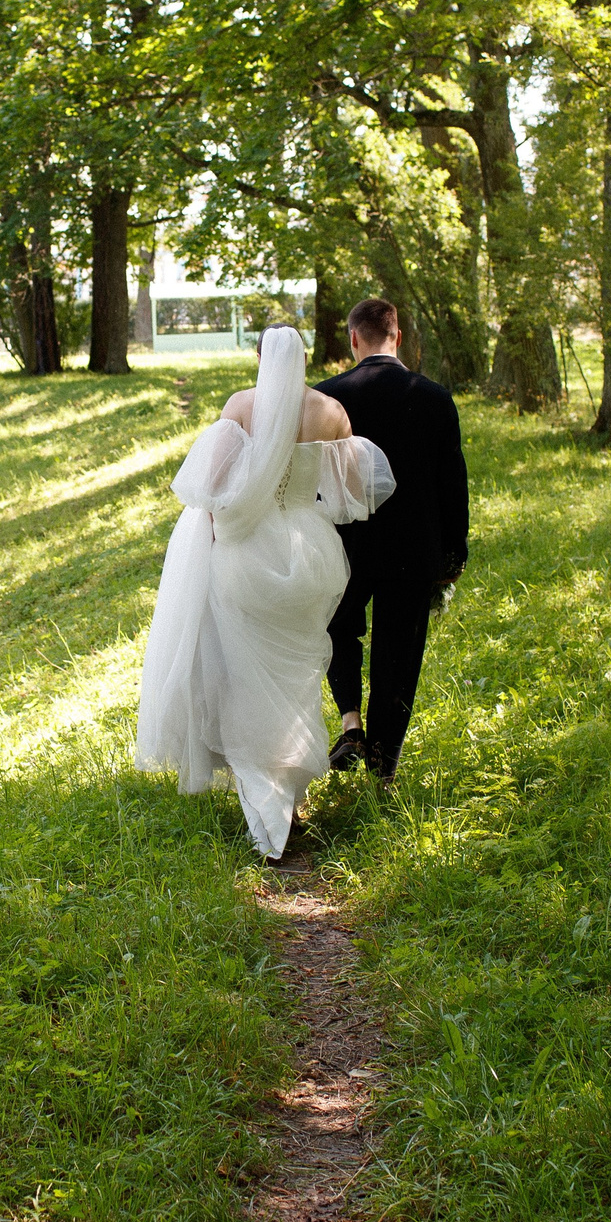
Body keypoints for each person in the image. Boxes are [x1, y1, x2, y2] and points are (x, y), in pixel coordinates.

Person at [136, 325, 395, 859]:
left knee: (246, 676)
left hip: (246, 556)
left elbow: (209, 487)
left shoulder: (240, 405)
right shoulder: (330, 411)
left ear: (258, 358)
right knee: (296, 679)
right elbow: (350, 494)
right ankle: (287, 799)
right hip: (308, 555)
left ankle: (267, 802)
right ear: (302, 360)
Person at [313, 297, 469, 782]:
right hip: (412, 548)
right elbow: (453, 483)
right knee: (399, 654)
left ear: (353, 339)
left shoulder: (325, 397)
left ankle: (350, 722)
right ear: (398, 337)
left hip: (343, 547)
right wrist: (453, 552)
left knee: (338, 630)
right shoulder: (434, 397)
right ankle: (384, 767)